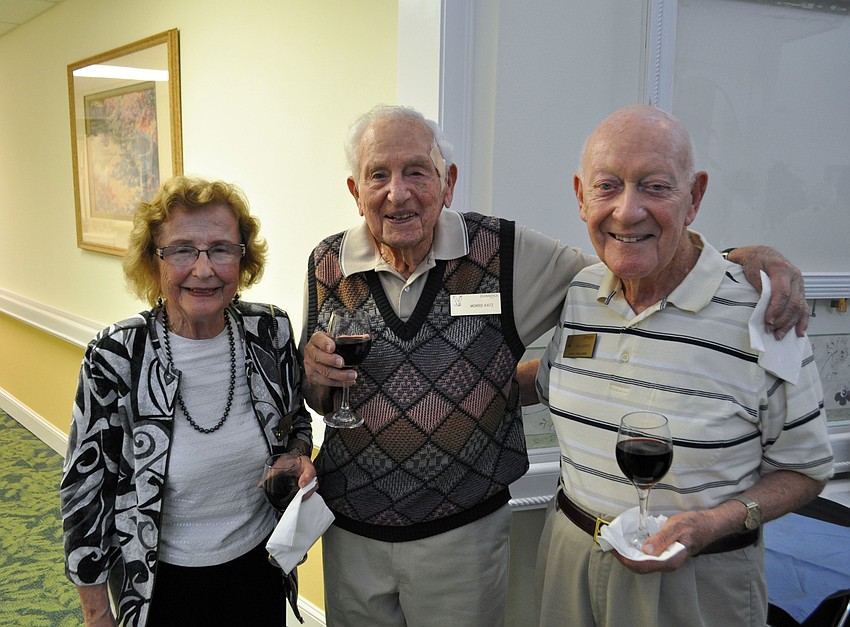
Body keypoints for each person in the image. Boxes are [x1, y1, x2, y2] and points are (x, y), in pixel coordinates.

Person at [300, 104, 809, 627]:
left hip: (464, 534)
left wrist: (742, 257)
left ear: (448, 183)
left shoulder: (504, 252)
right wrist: (314, 380)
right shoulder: (326, 262)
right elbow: (317, 397)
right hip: (353, 526)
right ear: (354, 190)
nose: (397, 192)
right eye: (377, 175)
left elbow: (633, 258)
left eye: (416, 172)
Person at [532, 105, 834, 626]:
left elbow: (805, 469)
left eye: (654, 186)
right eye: (608, 186)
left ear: (694, 197)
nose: (628, 211)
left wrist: (714, 523)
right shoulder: (581, 291)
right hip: (570, 562)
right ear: (581, 196)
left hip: (698, 579)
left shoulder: (765, 312)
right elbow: (549, 379)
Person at [60, 176, 315, 627]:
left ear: (243, 258)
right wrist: (96, 612)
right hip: (159, 583)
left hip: (258, 567)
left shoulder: (269, 333)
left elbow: (295, 423)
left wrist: (295, 456)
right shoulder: (118, 355)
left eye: (220, 248)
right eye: (181, 250)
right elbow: (85, 490)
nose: (203, 269)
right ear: (153, 262)